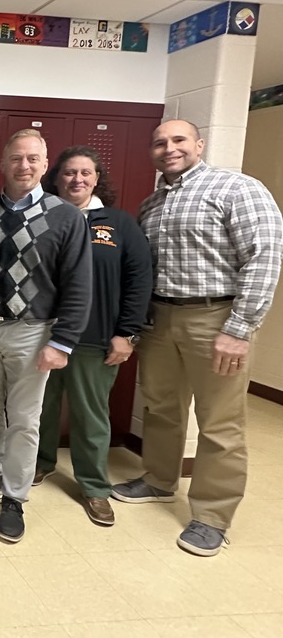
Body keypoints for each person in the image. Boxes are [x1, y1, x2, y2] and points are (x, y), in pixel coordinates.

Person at [111, 119, 283, 557]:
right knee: (162, 408)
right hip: (161, 318)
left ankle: (212, 515)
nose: (169, 148)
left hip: (216, 319)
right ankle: (158, 480)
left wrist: (240, 329)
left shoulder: (236, 188)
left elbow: (263, 259)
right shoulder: (151, 205)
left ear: (198, 144)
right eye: (160, 142)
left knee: (220, 422)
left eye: (178, 140)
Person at [0, 129, 92, 544]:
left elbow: (79, 285)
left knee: (26, 421)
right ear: (3, 163)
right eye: (16, 158)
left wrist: (62, 341)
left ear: (45, 164)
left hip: (34, 333)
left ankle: (14, 497)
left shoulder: (65, 216)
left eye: (33, 159)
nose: (24, 166)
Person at [35, 146, 152, 526]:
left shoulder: (118, 223)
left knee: (91, 416)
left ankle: (94, 487)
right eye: (69, 172)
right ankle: (39, 464)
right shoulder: (41, 216)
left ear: (97, 178)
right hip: (41, 333)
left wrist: (127, 333)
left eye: (85, 173)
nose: (77, 179)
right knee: (38, 408)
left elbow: (139, 279)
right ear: (56, 178)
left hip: (95, 336)